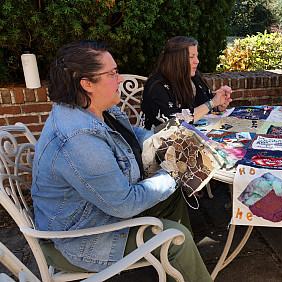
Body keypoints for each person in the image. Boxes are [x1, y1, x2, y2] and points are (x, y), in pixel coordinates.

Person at [31, 41, 212, 281]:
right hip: (82, 238)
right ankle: (182, 256)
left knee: (173, 197)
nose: (119, 79)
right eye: (112, 73)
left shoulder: (97, 109)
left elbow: (134, 136)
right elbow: (124, 204)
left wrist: (172, 143)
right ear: (87, 84)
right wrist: (175, 172)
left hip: (98, 209)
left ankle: (180, 268)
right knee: (175, 236)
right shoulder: (79, 138)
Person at [141, 36, 232, 130]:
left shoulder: (196, 79)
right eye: (191, 57)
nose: (197, 61)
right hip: (159, 141)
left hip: (194, 136)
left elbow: (205, 106)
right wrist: (212, 103)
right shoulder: (157, 86)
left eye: (196, 56)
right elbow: (173, 122)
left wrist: (218, 106)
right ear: (176, 60)